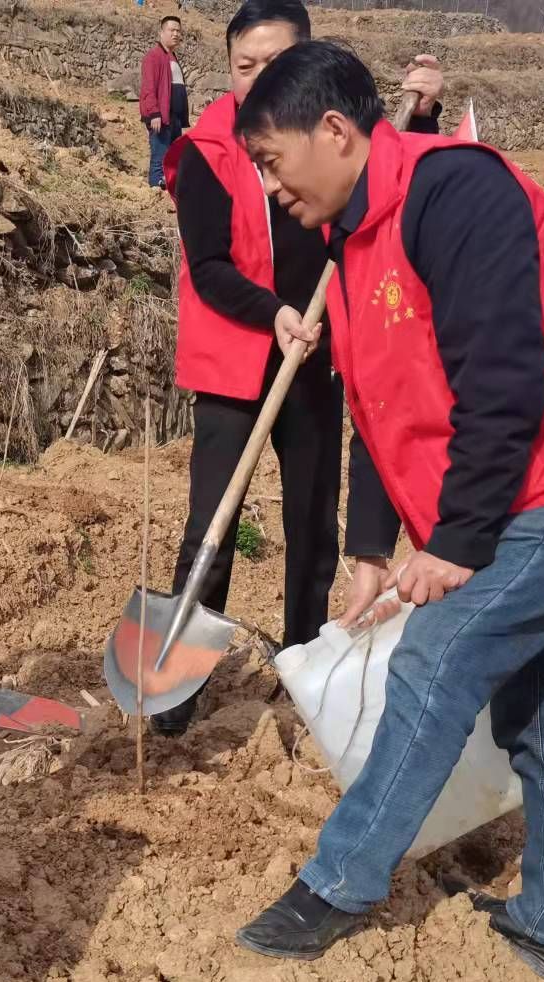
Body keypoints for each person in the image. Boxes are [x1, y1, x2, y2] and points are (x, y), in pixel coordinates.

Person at [229, 40, 544, 982]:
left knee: (442, 655)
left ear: (335, 130)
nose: (271, 186)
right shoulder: (352, 242)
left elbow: (505, 382)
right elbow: (382, 404)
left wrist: (455, 544)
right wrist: (369, 548)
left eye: (273, 162)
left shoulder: (456, 193)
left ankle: (340, 883)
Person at [152, 0, 443, 736]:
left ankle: (304, 660)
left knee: (313, 522)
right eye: (243, 67)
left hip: (316, 355)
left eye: (274, 64)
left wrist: (425, 115)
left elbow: (390, 182)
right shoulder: (208, 151)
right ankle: (175, 694)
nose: (257, 80)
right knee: (208, 530)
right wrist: (274, 313)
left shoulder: (325, 140)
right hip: (236, 361)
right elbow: (209, 265)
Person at [141, 15, 189, 189]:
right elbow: (148, 88)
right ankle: (154, 192)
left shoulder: (173, 57)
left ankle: (168, 190)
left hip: (175, 118)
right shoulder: (153, 57)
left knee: (173, 158)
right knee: (159, 159)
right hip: (160, 117)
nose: (176, 34)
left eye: (178, 31)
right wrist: (154, 113)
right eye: (172, 30)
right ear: (161, 32)